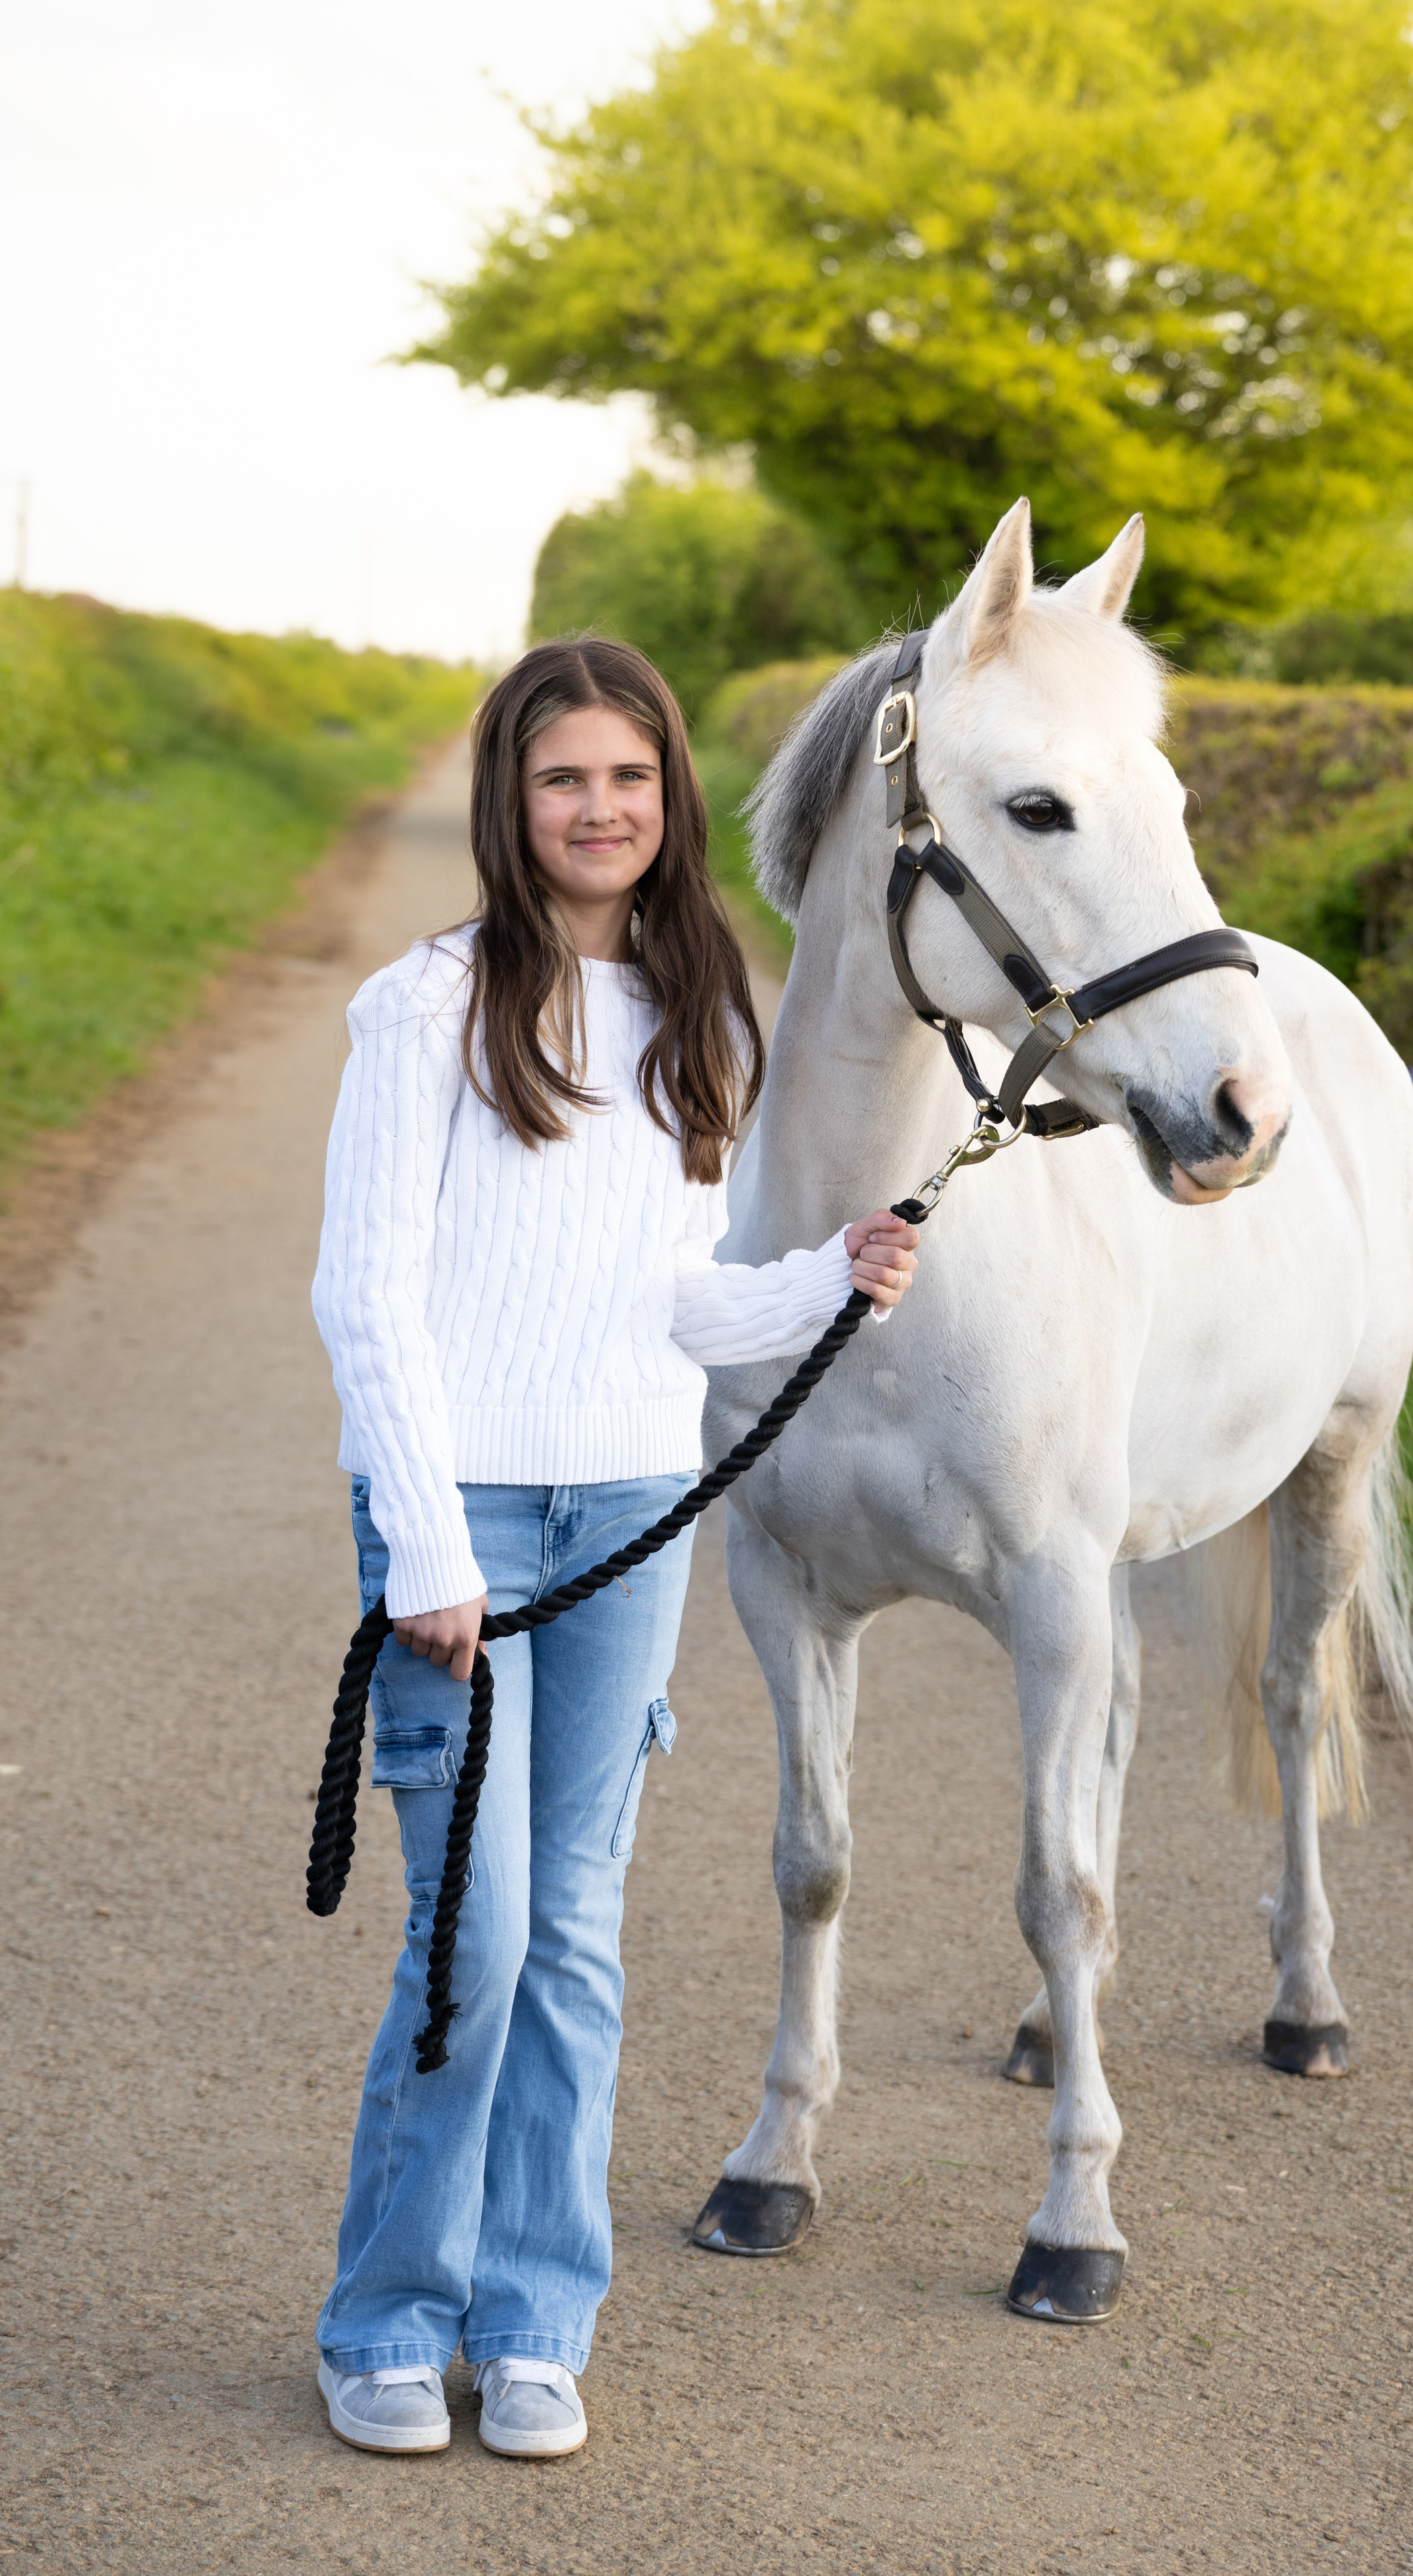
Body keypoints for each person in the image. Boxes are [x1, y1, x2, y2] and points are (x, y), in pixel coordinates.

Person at [309, 637, 917, 2460]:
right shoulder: (423, 1009)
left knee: (575, 1939)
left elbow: (672, 1303)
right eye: (565, 779)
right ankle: (386, 2321)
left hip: (629, 1514)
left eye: (631, 781)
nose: (599, 810)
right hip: (463, 1533)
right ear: (512, 798)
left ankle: (539, 2312)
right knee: (471, 1944)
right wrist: (424, 1546)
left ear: (670, 805)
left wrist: (827, 1280)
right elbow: (367, 1296)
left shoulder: (700, 1008)